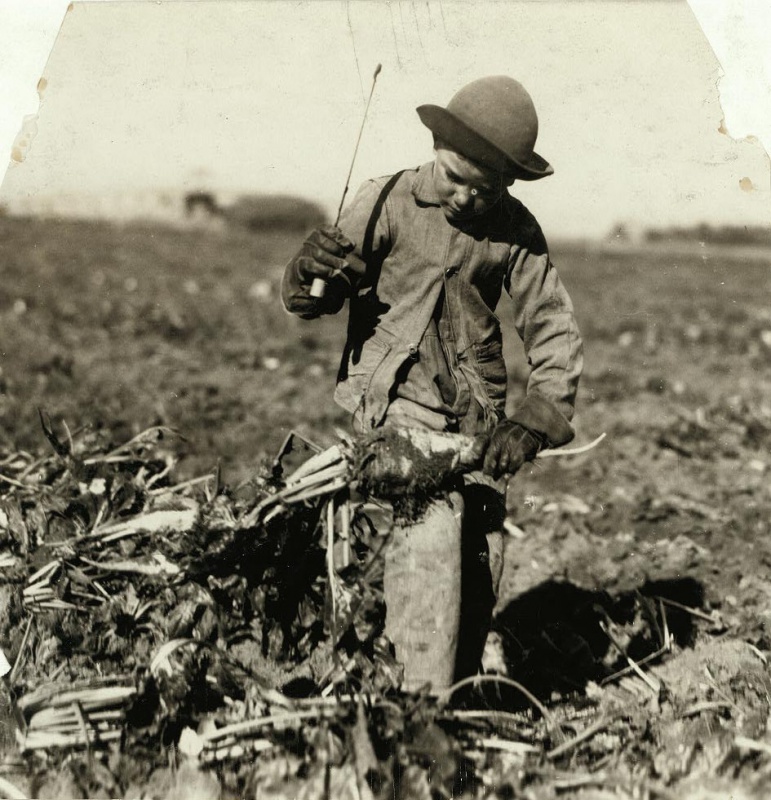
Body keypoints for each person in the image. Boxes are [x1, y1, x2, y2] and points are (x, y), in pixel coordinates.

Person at [281, 76, 583, 692]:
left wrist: (535, 417)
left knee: (481, 551)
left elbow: (552, 328)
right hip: (397, 407)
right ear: (436, 144)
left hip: (476, 418)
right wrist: (309, 275)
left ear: (509, 184)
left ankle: (457, 689)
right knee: (430, 533)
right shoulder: (385, 200)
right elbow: (322, 293)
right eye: (454, 177)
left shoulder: (517, 235)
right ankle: (412, 703)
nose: (468, 199)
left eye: (486, 188)